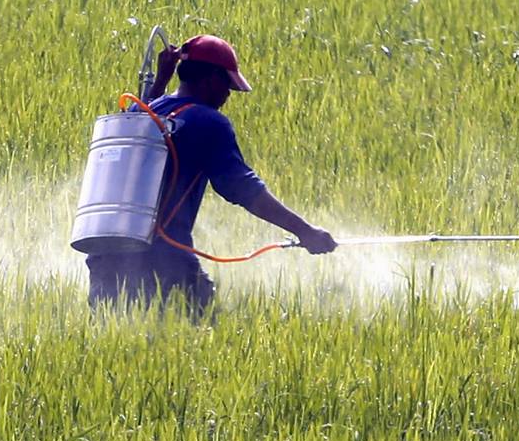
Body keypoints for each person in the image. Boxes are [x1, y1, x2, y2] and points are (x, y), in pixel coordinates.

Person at [86, 34, 337, 314]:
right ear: (210, 79)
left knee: (117, 340)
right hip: (164, 260)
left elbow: (143, 117)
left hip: (105, 253)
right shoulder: (207, 121)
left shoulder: (147, 110)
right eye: (227, 85)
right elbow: (245, 190)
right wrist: (305, 231)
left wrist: (161, 79)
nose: (228, 95)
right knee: (200, 335)